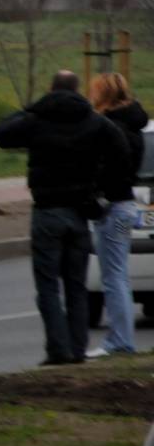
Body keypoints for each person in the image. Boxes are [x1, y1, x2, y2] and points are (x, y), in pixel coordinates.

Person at [0, 70, 130, 366]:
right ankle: (78, 349)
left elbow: (0, 134)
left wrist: (31, 107)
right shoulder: (93, 121)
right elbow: (121, 149)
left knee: (48, 287)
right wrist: (99, 186)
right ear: (78, 89)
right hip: (79, 213)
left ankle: (58, 350)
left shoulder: (37, 120)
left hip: (47, 212)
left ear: (51, 89)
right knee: (76, 287)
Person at [87, 73, 149, 358]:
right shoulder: (134, 125)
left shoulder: (112, 128)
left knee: (114, 277)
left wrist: (95, 192)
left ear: (105, 95)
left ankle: (120, 341)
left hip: (112, 205)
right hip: (125, 204)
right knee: (117, 276)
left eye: (96, 91)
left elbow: (107, 167)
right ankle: (120, 340)